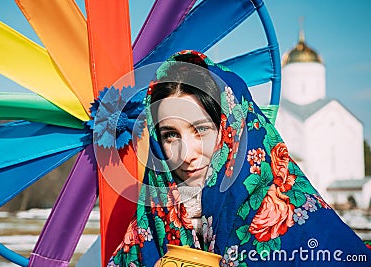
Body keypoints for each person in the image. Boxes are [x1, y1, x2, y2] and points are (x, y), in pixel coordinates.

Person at [107, 50, 371, 266]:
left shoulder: (295, 223)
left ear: (234, 132)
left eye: (201, 130)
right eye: (170, 135)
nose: (185, 155)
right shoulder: (154, 220)